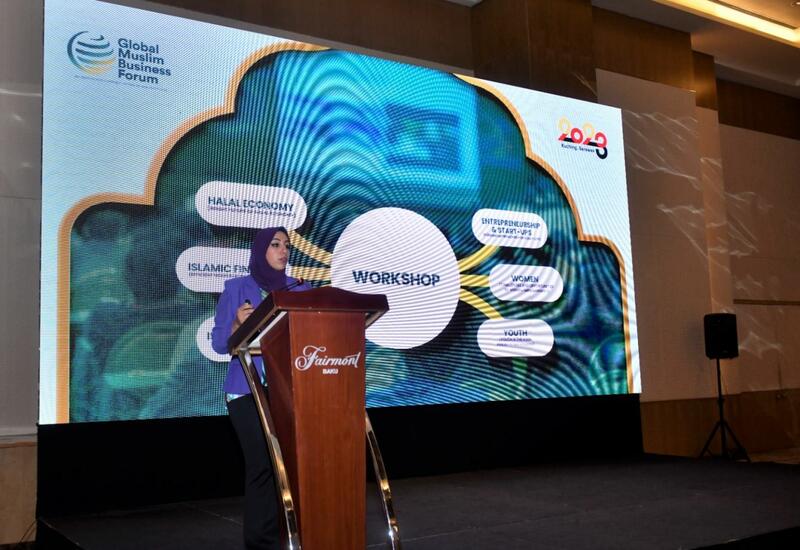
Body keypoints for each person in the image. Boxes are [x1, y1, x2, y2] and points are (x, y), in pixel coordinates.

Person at [211, 227, 311, 549]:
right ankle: (261, 542)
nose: (283, 251)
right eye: (276, 245)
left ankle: (290, 533)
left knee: (290, 465)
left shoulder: (300, 289)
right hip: (245, 391)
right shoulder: (236, 288)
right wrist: (237, 325)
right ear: (260, 250)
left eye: (287, 246)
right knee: (262, 464)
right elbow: (219, 344)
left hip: (288, 389)